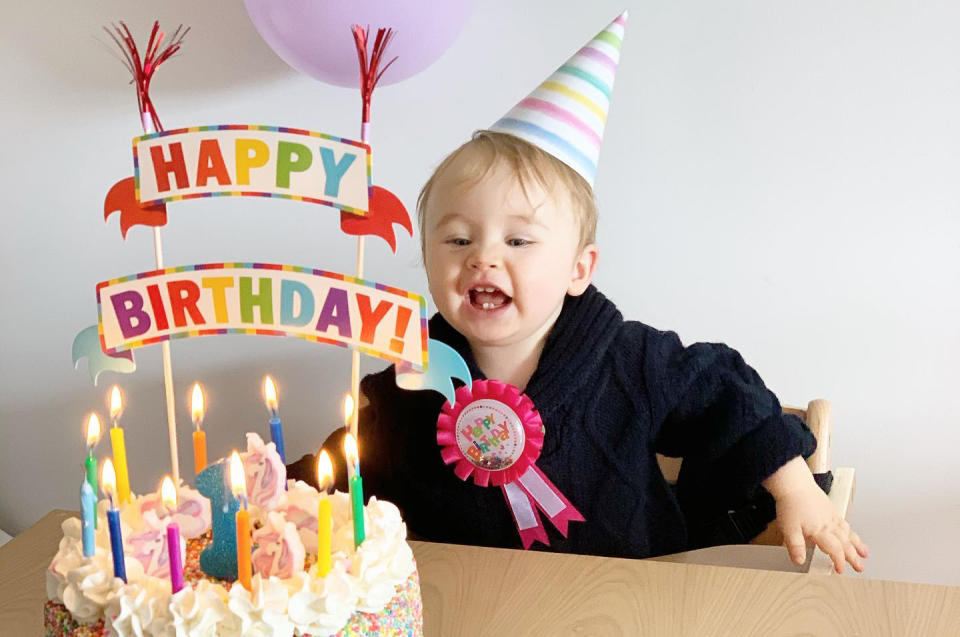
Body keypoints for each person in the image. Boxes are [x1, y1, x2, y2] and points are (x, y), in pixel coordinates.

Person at [288, 11, 868, 573]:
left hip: (624, 605)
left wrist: (795, 488)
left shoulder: (633, 361)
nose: (483, 256)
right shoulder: (412, 378)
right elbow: (347, 468)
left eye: (518, 240)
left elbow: (727, 396)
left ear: (578, 269)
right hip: (462, 606)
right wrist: (274, 494)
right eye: (458, 238)